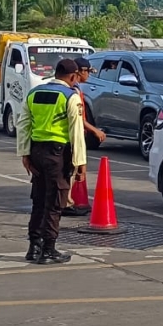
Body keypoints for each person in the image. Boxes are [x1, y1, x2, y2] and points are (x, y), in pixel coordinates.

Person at [15, 58, 86, 264]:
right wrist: (80, 163)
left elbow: (23, 125)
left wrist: (25, 154)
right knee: (55, 203)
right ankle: (48, 250)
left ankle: (33, 247)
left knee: (38, 201)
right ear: (72, 76)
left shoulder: (34, 93)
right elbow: (76, 132)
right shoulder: (70, 97)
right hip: (58, 154)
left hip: (36, 151)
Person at [62, 58, 106, 217]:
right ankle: (65, 204)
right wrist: (95, 131)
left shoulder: (76, 89)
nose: (88, 74)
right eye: (87, 71)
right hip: (71, 136)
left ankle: (67, 201)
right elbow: (78, 119)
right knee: (72, 170)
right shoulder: (72, 91)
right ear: (78, 72)